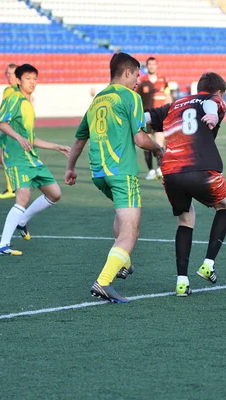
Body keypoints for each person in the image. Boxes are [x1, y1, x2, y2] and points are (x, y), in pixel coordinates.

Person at [65, 52, 164, 304]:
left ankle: (123, 262)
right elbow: (140, 138)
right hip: (122, 172)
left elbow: (79, 139)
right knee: (131, 231)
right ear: (128, 72)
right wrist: (159, 149)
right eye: (137, 74)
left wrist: (70, 168)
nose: (139, 79)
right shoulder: (130, 97)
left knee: (123, 218)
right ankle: (104, 281)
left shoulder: (98, 99)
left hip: (99, 173)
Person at [145, 72, 226, 297]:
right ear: (218, 90)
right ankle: (208, 264)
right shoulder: (213, 100)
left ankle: (181, 282)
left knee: (185, 219)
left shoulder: (175, 104)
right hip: (202, 168)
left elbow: (145, 118)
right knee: (225, 205)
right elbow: (214, 104)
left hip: (172, 172)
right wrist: (212, 117)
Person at [0, 64, 71, 255]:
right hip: (16, 158)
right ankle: (3, 245)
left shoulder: (28, 104)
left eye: (35, 78)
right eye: (28, 78)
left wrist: (55, 146)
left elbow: (30, 138)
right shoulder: (14, 98)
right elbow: (2, 124)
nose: (32, 82)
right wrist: (18, 138)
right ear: (19, 80)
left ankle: (22, 221)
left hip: (31, 158)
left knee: (55, 193)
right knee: (23, 197)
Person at [136, 57, 171, 180]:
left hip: (160, 115)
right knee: (147, 144)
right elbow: (136, 98)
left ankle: (160, 168)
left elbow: (167, 96)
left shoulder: (163, 80)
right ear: (147, 66)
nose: (151, 66)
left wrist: (170, 110)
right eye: (149, 64)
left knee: (159, 143)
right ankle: (150, 170)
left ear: (156, 65)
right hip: (145, 116)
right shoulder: (142, 81)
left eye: (153, 64)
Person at [0, 63, 19, 199]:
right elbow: (3, 111)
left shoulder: (19, 90)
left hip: (13, 130)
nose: (8, 76)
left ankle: (11, 189)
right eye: (6, 73)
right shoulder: (7, 90)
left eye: (11, 73)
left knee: (4, 157)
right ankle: (17, 181)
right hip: (4, 129)